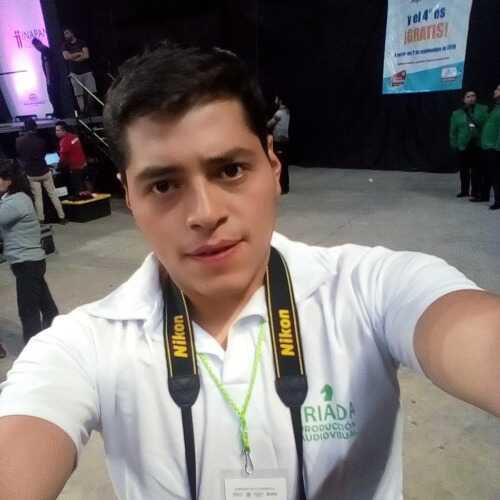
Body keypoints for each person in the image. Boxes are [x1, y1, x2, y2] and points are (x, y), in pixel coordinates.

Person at [0, 44, 499, 500]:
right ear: (129, 196)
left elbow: (469, 332)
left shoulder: (370, 288)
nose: (204, 213)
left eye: (230, 170)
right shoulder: (82, 344)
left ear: (273, 167)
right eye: (164, 185)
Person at [0, 159, 59, 345]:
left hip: (27, 263)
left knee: (28, 310)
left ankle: (32, 348)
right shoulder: (15, 197)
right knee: (46, 306)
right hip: (31, 262)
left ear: (9, 180)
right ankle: (56, 335)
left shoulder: (15, 201)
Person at [15, 118, 66, 224]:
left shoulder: (18, 141)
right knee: (53, 194)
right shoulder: (41, 141)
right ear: (35, 127)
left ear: (24, 127)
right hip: (44, 171)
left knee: (38, 198)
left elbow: (21, 155)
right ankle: (62, 217)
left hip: (31, 173)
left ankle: (41, 220)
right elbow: (42, 155)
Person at [449, 90, 488, 199]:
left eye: (473, 96)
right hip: (463, 145)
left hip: (477, 144)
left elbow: (486, 125)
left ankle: (475, 191)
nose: (471, 98)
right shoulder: (456, 113)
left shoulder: (483, 109)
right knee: (463, 170)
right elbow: (453, 131)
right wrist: (454, 144)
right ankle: (464, 190)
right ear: (463, 99)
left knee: (476, 170)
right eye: (468, 96)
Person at [61, 28, 96, 114]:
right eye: (64, 34)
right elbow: (66, 57)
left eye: (67, 33)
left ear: (72, 33)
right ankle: (83, 112)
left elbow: (86, 55)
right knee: (79, 94)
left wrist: (75, 58)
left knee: (91, 92)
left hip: (86, 71)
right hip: (74, 73)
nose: (66, 35)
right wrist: (79, 53)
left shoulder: (81, 43)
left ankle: (89, 110)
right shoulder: (65, 45)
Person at [55, 121, 90, 194]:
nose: (56, 132)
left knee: (80, 190)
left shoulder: (64, 141)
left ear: (64, 130)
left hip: (75, 168)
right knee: (85, 187)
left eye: (58, 130)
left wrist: (58, 167)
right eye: (56, 130)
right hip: (84, 165)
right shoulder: (74, 136)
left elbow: (63, 157)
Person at [480, 84, 500, 210]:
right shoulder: (495, 108)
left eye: (498, 89)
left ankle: (498, 200)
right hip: (488, 146)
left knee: (496, 175)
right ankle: (485, 195)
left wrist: (497, 147)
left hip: (495, 148)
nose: (495, 90)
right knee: (489, 173)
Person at [31, 38, 63, 118]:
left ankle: (58, 113)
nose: (36, 49)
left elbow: (47, 65)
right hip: (54, 76)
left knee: (53, 96)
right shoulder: (46, 50)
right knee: (54, 95)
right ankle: (57, 112)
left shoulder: (44, 51)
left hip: (52, 77)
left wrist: (48, 79)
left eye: (35, 46)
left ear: (38, 44)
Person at [267, 96, 291, 193]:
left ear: (280, 101)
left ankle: (282, 186)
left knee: (280, 163)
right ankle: (285, 186)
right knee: (284, 163)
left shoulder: (279, 113)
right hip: (285, 140)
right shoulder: (287, 112)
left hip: (279, 141)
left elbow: (269, 124)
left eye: (276, 99)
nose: (275, 101)